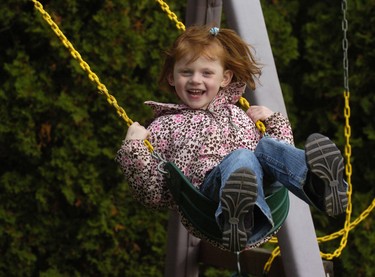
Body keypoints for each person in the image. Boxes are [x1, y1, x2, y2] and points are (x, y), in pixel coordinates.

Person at [116, 25, 348, 252]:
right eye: (186, 72)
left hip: (265, 189)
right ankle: (238, 213)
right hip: (210, 198)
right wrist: (134, 148)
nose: (195, 80)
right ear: (171, 77)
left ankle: (319, 185)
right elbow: (153, 195)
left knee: (266, 148)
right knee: (243, 156)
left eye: (206, 73)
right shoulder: (163, 126)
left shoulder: (237, 113)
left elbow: (280, 154)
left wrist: (274, 122)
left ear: (225, 78)